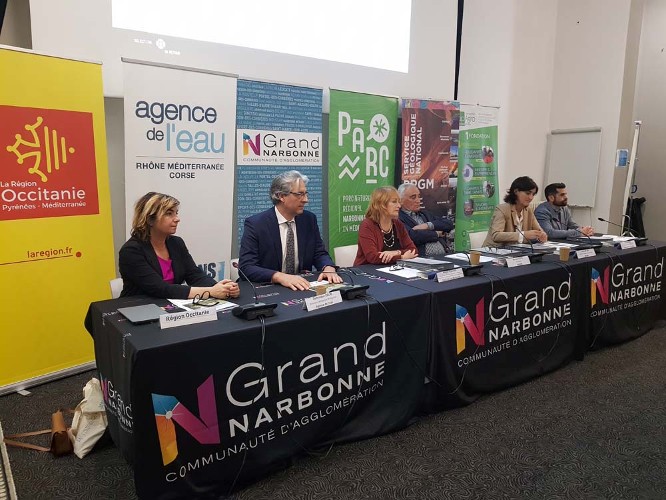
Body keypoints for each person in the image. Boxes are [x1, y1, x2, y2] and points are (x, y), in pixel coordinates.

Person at [119, 192, 240, 300]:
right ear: (150, 219)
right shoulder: (131, 251)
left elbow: (194, 275)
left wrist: (222, 288)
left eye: (176, 213)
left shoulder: (176, 243)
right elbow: (160, 288)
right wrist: (211, 292)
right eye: (169, 214)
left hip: (170, 306)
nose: (177, 219)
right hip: (139, 309)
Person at [239, 170, 342, 291]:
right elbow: (247, 267)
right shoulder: (256, 224)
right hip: (267, 288)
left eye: (305, 194)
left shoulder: (308, 219)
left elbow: (319, 253)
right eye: (300, 194)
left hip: (300, 287)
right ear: (281, 196)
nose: (306, 200)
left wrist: (328, 267)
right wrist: (279, 277)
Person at [354, 186, 418, 265]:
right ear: (381, 205)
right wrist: (401, 257)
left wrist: (396, 252)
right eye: (394, 202)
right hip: (367, 270)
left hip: (393, 269)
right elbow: (372, 257)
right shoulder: (367, 225)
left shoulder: (398, 224)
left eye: (399, 202)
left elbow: (413, 250)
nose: (399, 206)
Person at [483, 176, 548, 247]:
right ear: (516, 191)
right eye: (528, 193)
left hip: (517, 253)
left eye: (533, 194)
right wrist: (523, 235)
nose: (531, 197)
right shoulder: (502, 209)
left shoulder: (528, 210)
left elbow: (539, 231)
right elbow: (496, 235)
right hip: (494, 252)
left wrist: (541, 235)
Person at [398, 183, 454, 256]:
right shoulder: (398, 217)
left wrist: (427, 225)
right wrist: (437, 233)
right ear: (401, 200)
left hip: (445, 254)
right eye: (413, 197)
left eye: (419, 196)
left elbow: (448, 224)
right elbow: (413, 236)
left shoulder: (425, 214)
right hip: (422, 259)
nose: (418, 200)